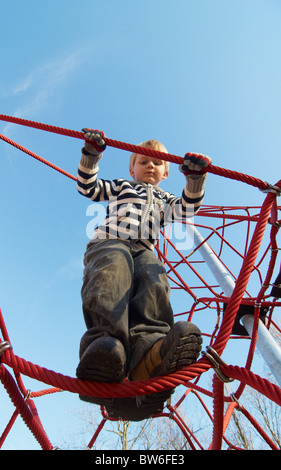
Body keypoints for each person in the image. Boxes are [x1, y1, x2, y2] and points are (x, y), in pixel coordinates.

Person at [76, 129, 212, 420]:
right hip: (111, 240)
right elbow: (90, 188)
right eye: (142, 161)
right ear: (131, 168)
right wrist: (91, 155)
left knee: (155, 285)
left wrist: (195, 179)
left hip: (145, 248)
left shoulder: (165, 199)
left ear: (165, 172)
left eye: (156, 163)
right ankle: (106, 345)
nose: (149, 165)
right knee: (111, 281)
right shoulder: (124, 185)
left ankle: (149, 353)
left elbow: (187, 208)